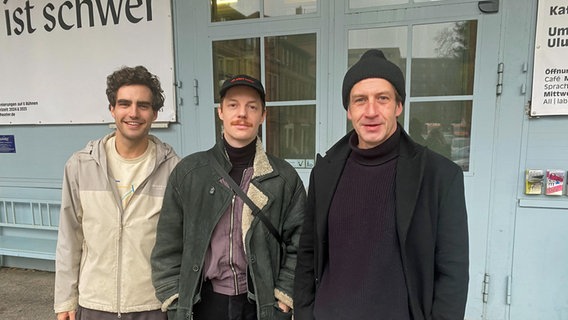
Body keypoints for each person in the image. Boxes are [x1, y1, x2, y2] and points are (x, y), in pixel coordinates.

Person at [294, 49, 469, 320]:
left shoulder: (439, 176)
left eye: (383, 99)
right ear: (349, 110)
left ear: (398, 106)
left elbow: (453, 272)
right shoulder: (325, 172)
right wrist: (305, 313)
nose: (371, 111)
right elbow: (308, 252)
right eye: (360, 100)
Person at [151, 74, 306, 320]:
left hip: (260, 305)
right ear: (220, 112)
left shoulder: (283, 178)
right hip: (202, 303)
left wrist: (283, 298)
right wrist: (174, 299)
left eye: (252, 107)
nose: (242, 113)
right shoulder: (190, 172)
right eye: (233, 105)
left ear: (263, 115)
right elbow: (168, 243)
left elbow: (301, 244)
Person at [54, 66, 180, 320]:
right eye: (124, 104)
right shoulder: (80, 165)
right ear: (112, 109)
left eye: (143, 105)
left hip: (153, 305)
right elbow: (69, 238)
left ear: (155, 113)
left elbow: (182, 243)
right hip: (94, 303)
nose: (133, 113)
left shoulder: (174, 169)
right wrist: (66, 299)